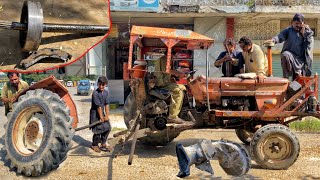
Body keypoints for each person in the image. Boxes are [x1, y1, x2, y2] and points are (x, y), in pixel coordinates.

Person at [265, 13, 314, 80]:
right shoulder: (288, 31)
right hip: (290, 56)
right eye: (296, 23)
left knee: (298, 79)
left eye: (300, 23)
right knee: (285, 55)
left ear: (303, 23)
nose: (298, 25)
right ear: (292, 23)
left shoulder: (307, 32)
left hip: (301, 60)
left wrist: (304, 35)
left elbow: (309, 45)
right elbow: (279, 37)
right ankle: (286, 77)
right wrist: (273, 40)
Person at [152, 51, 187, 124]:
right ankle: (173, 116)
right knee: (179, 91)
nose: (174, 57)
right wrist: (178, 73)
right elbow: (166, 70)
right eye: (175, 55)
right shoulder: (165, 59)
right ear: (171, 54)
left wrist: (175, 75)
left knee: (183, 87)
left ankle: (180, 109)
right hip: (162, 84)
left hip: (164, 82)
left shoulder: (164, 59)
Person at [90, 76, 112, 153]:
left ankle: (103, 143)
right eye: (99, 84)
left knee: (108, 127)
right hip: (95, 114)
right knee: (97, 130)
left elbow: (106, 104)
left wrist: (107, 116)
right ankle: (94, 145)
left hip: (101, 113)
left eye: (103, 85)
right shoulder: (95, 94)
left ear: (106, 84)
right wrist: (101, 117)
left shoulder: (106, 92)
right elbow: (98, 107)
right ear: (97, 84)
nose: (101, 86)